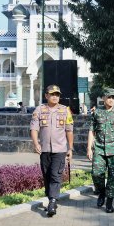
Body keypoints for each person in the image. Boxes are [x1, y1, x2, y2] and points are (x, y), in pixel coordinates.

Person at [30, 85, 74, 217]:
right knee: (47, 175)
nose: (55, 96)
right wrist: (35, 142)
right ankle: (51, 200)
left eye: (57, 94)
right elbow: (34, 128)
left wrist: (70, 148)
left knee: (55, 175)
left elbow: (69, 130)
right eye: (52, 94)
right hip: (44, 150)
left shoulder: (65, 110)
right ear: (46, 96)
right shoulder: (39, 109)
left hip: (60, 150)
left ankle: (52, 202)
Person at [87, 88, 114, 213]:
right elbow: (91, 131)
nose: (111, 100)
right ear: (103, 98)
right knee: (96, 174)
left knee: (113, 177)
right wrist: (89, 148)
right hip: (99, 149)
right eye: (109, 97)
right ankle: (102, 193)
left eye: (113, 97)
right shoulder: (97, 113)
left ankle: (109, 202)